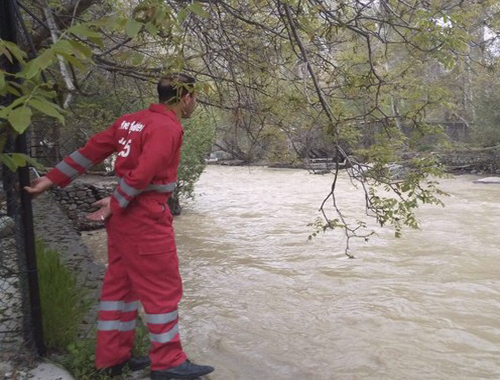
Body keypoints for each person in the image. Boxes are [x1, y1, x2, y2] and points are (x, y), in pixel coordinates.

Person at [25, 74, 215, 380]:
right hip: (145, 216)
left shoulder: (130, 121)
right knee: (162, 289)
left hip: (123, 220)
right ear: (187, 97)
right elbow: (143, 173)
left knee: (121, 287)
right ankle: (168, 362)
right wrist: (116, 201)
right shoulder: (167, 127)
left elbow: (90, 152)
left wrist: (49, 180)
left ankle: (112, 358)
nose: (195, 104)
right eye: (195, 98)